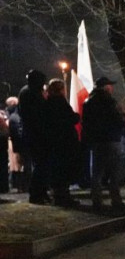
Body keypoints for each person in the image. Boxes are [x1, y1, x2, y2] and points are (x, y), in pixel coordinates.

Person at [81, 76, 125, 211]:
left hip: (96, 141)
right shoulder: (109, 101)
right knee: (114, 171)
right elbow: (116, 119)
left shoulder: (88, 102)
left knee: (97, 172)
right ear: (106, 87)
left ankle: (96, 200)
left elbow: (86, 123)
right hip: (111, 139)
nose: (112, 88)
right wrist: (123, 122)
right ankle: (116, 199)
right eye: (110, 86)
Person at [43, 78, 80, 207]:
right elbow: (70, 118)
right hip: (64, 141)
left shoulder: (47, 103)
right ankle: (63, 196)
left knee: (58, 169)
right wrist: (76, 116)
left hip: (54, 141)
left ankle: (58, 195)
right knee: (64, 169)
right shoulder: (60, 102)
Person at [18, 70, 51, 204]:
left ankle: (41, 192)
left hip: (33, 133)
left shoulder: (27, 91)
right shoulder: (31, 93)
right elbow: (39, 114)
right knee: (40, 165)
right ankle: (37, 194)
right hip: (36, 134)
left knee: (41, 165)